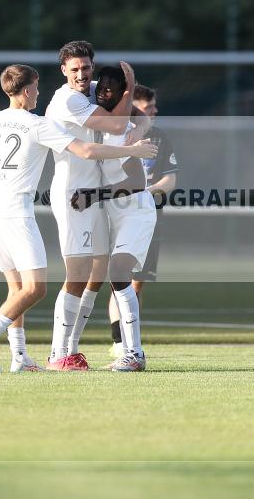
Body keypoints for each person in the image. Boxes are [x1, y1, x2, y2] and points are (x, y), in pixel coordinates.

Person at [0, 64, 156, 374]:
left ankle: (20, 357)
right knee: (35, 289)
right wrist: (133, 150)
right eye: (36, 87)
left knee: (16, 290)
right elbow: (86, 150)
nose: (39, 93)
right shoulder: (38, 124)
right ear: (27, 90)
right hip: (16, 212)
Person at [43, 41, 149, 371]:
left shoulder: (93, 89)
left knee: (99, 272)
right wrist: (133, 143)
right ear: (63, 71)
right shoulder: (68, 99)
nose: (82, 75)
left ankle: (80, 351)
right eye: (74, 69)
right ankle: (60, 353)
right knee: (77, 273)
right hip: (74, 193)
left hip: (100, 197)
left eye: (86, 68)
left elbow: (140, 118)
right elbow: (112, 131)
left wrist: (138, 133)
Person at [70, 66, 157, 371]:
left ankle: (134, 353)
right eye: (101, 87)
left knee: (120, 273)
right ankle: (70, 350)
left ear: (122, 93)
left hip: (135, 211)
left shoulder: (128, 130)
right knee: (96, 276)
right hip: (111, 213)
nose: (103, 91)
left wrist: (93, 196)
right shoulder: (100, 116)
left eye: (111, 88)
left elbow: (134, 183)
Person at [108, 84, 178, 359]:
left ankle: (128, 341)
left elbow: (171, 180)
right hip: (114, 213)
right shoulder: (113, 134)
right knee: (110, 277)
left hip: (148, 217)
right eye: (148, 108)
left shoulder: (160, 138)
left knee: (136, 282)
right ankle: (118, 342)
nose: (154, 111)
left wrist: (143, 194)